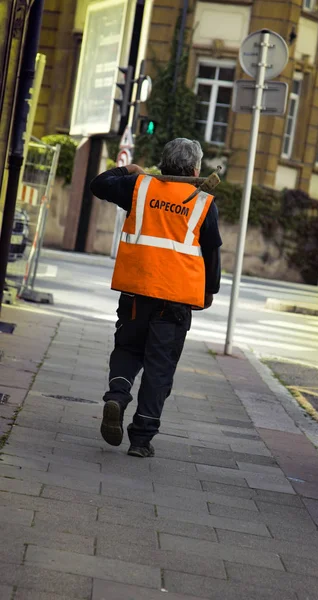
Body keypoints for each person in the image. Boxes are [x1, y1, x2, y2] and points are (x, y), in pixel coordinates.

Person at [90, 138, 222, 457]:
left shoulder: (140, 188)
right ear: (194, 169)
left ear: (162, 165)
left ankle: (117, 396)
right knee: (159, 367)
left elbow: (99, 184)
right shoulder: (203, 202)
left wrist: (128, 169)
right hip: (174, 301)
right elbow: (211, 255)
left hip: (136, 290)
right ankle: (141, 440)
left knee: (127, 348)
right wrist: (209, 292)